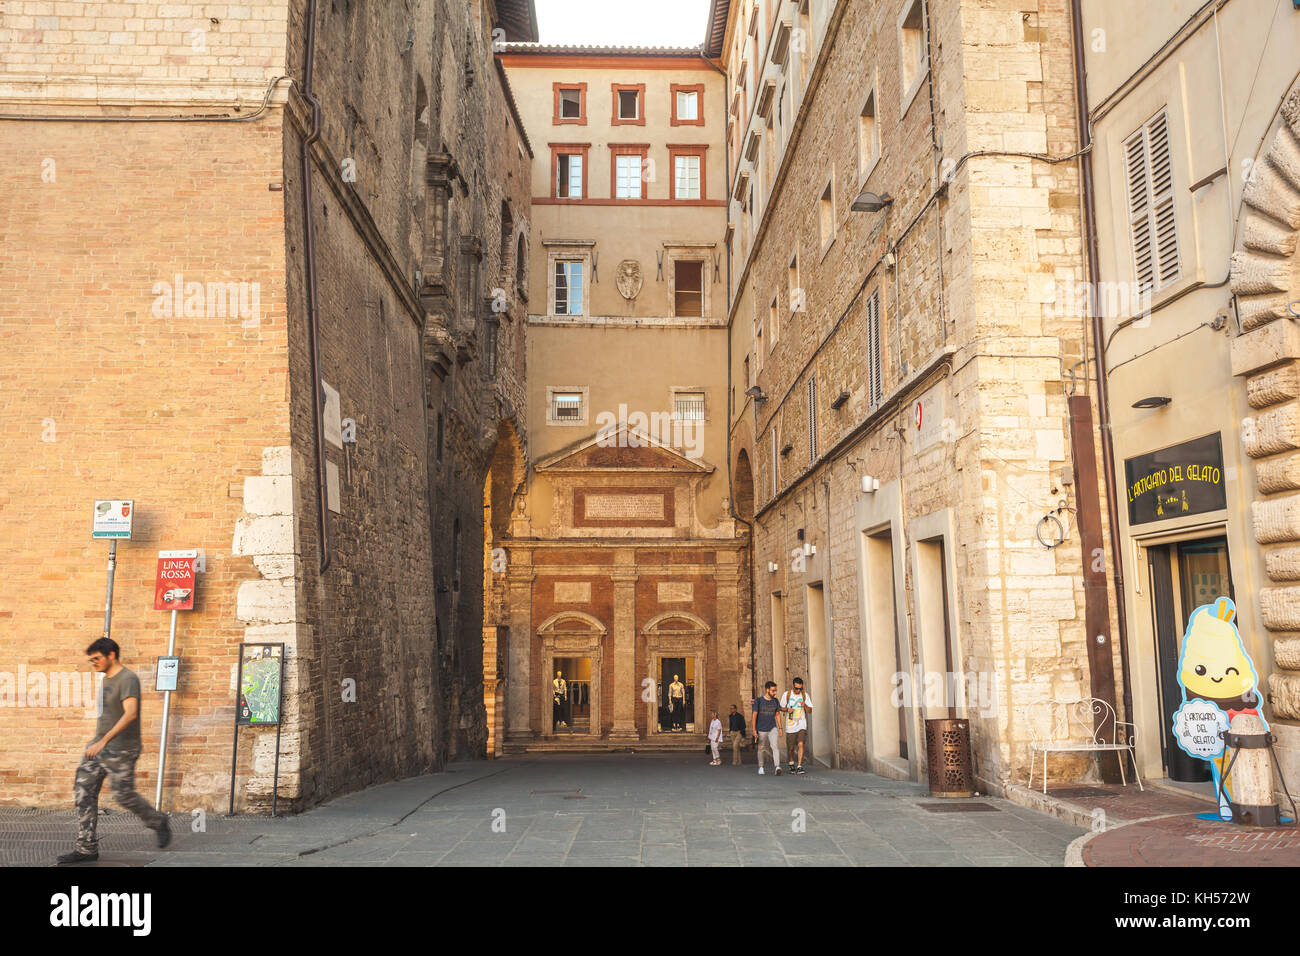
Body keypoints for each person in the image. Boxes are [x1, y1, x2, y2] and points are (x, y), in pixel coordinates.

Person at [57, 638, 171, 864]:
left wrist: (103, 741)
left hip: (122, 749)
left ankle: (157, 821)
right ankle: (87, 848)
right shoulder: (106, 679)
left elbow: (130, 714)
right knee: (83, 791)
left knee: (124, 796)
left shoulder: (128, 679)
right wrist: (96, 741)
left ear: (111, 655)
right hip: (99, 746)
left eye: (97, 658)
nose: (94, 663)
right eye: (91, 660)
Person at [781, 676, 813, 774]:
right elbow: (781, 707)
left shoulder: (804, 695)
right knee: (791, 748)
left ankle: (799, 766)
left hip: (801, 724)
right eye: (796, 688)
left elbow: (810, 711)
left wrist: (805, 705)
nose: (798, 690)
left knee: (801, 744)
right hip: (790, 725)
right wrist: (787, 709)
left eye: (800, 688)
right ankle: (791, 763)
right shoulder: (787, 694)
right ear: (793, 686)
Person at [752, 681, 784, 775]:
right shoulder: (759, 701)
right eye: (773, 691)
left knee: (775, 746)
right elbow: (754, 715)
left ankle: (777, 767)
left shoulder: (775, 701)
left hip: (772, 728)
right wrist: (754, 730)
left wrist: (780, 728)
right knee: (761, 748)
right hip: (761, 729)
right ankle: (761, 767)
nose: (775, 692)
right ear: (767, 690)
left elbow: (777, 714)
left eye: (775, 691)